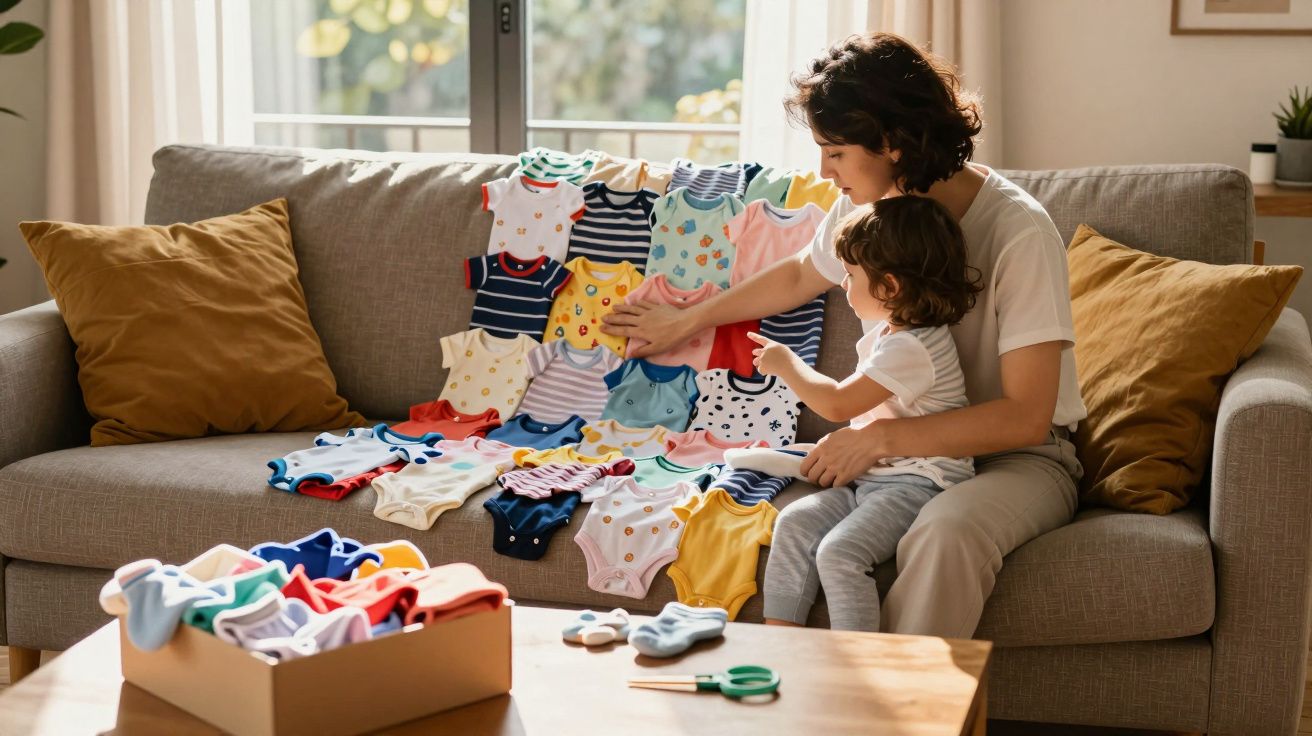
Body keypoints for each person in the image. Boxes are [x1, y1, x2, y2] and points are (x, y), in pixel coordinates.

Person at [602, 32, 1086, 638]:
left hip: (1017, 460)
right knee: (798, 523)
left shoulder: (1020, 233)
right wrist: (688, 319)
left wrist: (881, 437)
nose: (822, 172)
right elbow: (804, 272)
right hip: (904, 462)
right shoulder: (872, 209)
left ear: (892, 142)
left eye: (834, 152)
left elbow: (1027, 417)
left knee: (945, 532)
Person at [752, 196, 979, 632]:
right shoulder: (891, 334)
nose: (842, 285)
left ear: (890, 287)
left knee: (840, 552)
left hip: (918, 483)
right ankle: (780, 640)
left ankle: (856, 664)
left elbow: (838, 404)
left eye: (851, 276)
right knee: (795, 521)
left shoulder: (914, 348)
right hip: (876, 477)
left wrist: (786, 364)